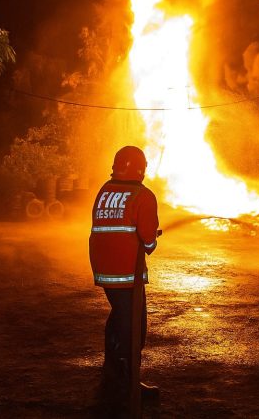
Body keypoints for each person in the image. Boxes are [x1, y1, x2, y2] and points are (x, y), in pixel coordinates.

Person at [89, 145, 160, 406]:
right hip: (127, 272)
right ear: (141, 169)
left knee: (119, 316)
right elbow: (149, 241)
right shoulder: (143, 195)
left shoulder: (104, 191)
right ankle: (126, 385)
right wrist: (152, 241)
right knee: (134, 326)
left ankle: (112, 372)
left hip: (104, 270)